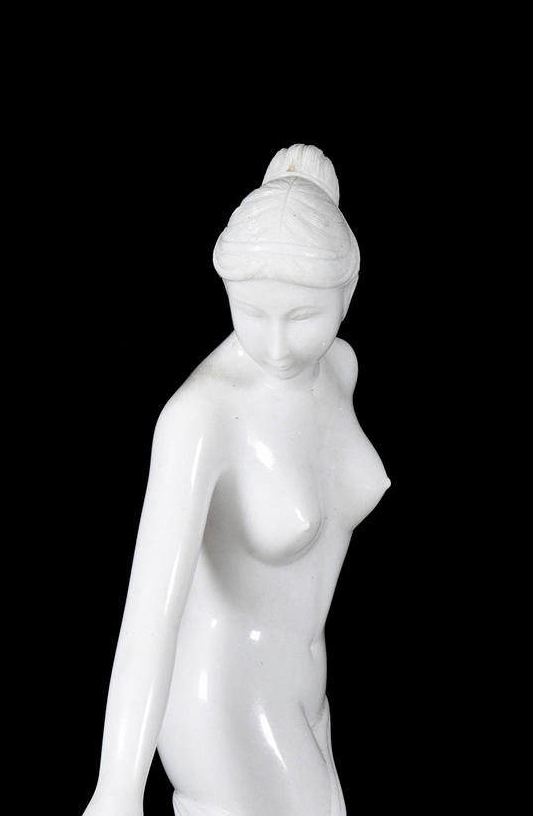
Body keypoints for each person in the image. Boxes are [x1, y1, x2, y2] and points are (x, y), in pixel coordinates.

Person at [84, 144, 389, 816]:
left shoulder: (340, 370)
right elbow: (148, 621)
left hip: (304, 693)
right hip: (218, 703)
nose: (276, 346)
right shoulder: (201, 418)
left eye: (302, 316)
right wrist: (118, 788)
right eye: (251, 312)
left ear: (348, 289)